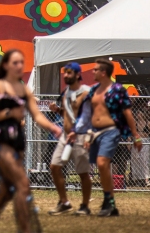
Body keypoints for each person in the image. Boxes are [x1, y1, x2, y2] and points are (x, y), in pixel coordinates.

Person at [0, 49, 63, 233]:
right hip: (0, 141)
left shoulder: (23, 90)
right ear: (6, 66)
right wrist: (8, 113)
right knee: (22, 184)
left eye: (21, 62)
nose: (19, 66)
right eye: (15, 63)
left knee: (7, 189)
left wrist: (53, 127)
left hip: (17, 141)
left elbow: (36, 115)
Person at [74, 58, 143, 217]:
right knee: (100, 166)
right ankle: (111, 202)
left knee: (102, 162)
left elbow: (127, 112)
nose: (93, 72)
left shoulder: (118, 89)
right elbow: (87, 113)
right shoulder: (93, 90)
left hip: (111, 130)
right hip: (94, 132)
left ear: (103, 72)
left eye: (96, 69)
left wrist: (136, 135)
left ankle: (107, 201)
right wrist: (86, 134)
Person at [47, 62, 92, 215]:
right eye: (65, 72)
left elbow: (90, 116)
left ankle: (85, 206)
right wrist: (57, 110)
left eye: (69, 73)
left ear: (78, 74)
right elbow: (68, 115)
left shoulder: (86, 93)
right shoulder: (66, 92)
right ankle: (64, 202)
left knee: (83, 173)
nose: (65, 75)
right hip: (66, 137)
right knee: (54, 166)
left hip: (80, 136)